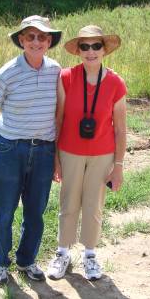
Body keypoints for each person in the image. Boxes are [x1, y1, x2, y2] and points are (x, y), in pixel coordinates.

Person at [0, 15, 62, 285]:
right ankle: (0, 263)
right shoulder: (7, 72)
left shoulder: (55, 70)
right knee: (5, 210)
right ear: (22, 41)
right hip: (9, 150)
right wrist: (3, 123)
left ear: (49, 41)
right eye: (30, 37)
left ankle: (27, 261)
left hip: (44, 151)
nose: (36, 41)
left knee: (35, 212)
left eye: (41, 37)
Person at [47, 25, 127, 281]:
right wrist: (55, 157)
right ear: (78, 50)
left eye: (96, 46)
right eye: (85, 46)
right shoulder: (67, 77)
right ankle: (62, 253)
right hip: (69, 151)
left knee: (94, 205)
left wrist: (118, 165)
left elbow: (121, 130)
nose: (90, 51)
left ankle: (90, 255)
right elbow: (58, 120)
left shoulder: (116, 83)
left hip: (102, 154)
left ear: (104, 50)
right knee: (68, 202)